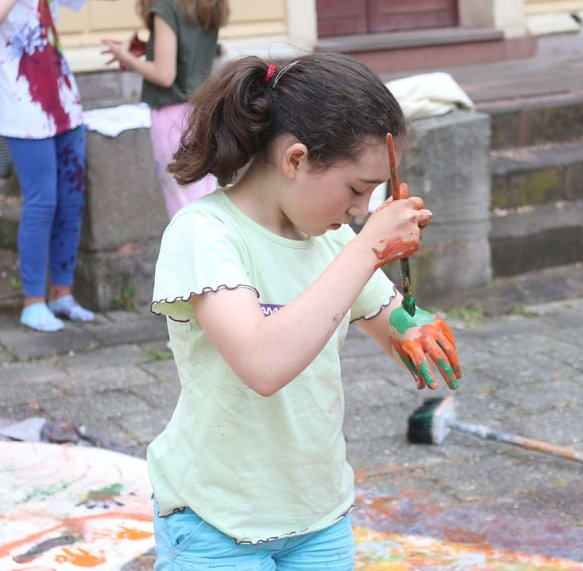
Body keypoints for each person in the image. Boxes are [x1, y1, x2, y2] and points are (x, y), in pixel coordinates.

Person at [148, 53, 462, 569]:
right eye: (358, 189)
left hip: (318, 514)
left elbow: (390, 322)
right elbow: (262, 365)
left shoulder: (329, 240)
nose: (361, 211)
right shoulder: (205, 233)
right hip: (216, 519)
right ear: (295, 160)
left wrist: (415, 326)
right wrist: (368, 249)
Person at [0, 0, 100, 332]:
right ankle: (32, 301)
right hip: (23, 108)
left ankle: (62, 294)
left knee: (72, 201)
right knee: (42, 202)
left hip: (63, 100)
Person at [101, 0, 228, 218]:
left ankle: (189, 252)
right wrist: (151, 48)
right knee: (206, 197)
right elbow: (190, 50)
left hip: (173, 117)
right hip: (202, 108)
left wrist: (126, 58)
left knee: (183, 205)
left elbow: (164, 74)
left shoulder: (166, 7)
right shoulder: (207, 4)